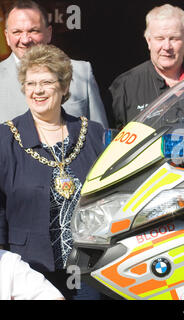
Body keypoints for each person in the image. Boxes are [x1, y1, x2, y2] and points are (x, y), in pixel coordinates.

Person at [0, 44, 105, 299]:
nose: (37, 90)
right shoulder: (5, 139)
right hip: (30, 270)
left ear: (65, 86)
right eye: (30, 83)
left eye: (46, 82)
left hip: (88, 269)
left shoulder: (92, 133)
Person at [0, 0, 108, 128]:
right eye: (17, 32)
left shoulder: (81, 72)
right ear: (6, 36)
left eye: (33, 31)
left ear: (48, 33)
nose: (25, 40)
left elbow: (101, 136)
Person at [109, 4, 184, 129]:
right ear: (148, 41)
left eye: (174, 38)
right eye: (160, 38)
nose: (167, 46)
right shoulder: (125, 86)